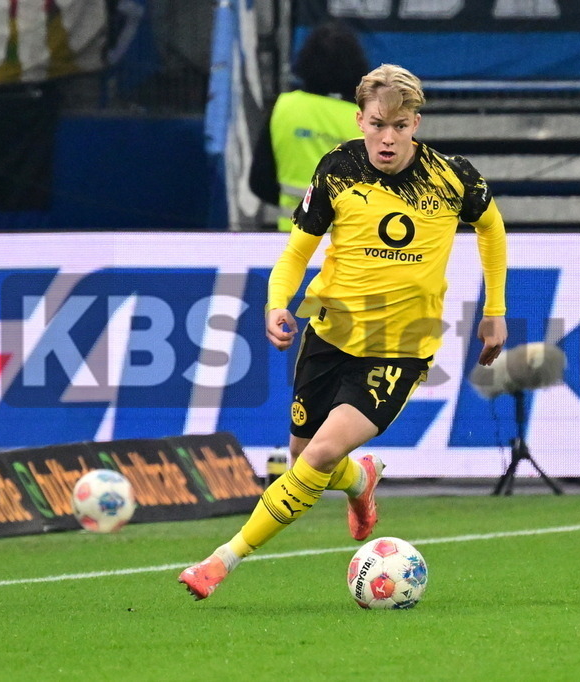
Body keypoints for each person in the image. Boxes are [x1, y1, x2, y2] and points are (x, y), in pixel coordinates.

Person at [180, 63, 509, 600]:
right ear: (360, 119)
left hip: (401, 350)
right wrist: (274, 304)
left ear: (416, 124)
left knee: (315, 457)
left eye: (400, 126)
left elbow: (492, 229)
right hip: (329, 334)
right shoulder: (337, 169)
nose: (387, 137)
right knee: (306, 457)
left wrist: (495, 309)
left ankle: (222, 561)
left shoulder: (453, 178)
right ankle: (361, 480)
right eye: (378, 123)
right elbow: (297, 251)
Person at [248, 21, 369, 232]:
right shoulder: (363, 120)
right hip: (346, 244)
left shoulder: (283, 107)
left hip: (290, 240)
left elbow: (259, 181)